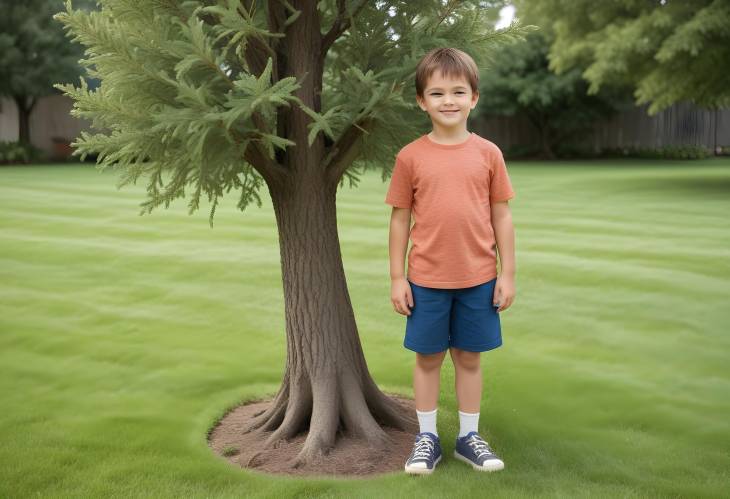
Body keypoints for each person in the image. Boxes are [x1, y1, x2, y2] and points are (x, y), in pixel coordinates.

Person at [385, 47, 516, 475]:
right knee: (427, 359)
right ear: (422, 101)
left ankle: (468, 437)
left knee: (470, 357)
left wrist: (508, 274)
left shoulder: (488, 153)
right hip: (425, 279)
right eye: (437, 92)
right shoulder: (410, 157)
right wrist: (397, 278)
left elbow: (502, 215)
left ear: (474, 97)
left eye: (458, 91)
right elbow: (400, 219)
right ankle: (426, 439)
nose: (448, 101)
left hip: (479, 278)